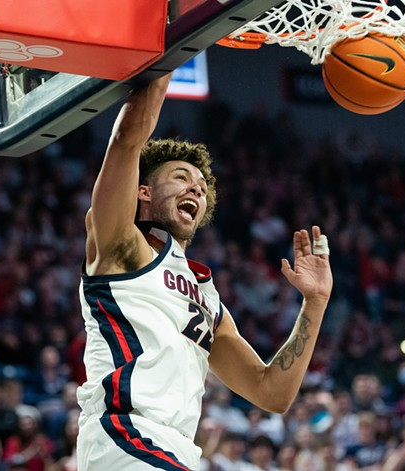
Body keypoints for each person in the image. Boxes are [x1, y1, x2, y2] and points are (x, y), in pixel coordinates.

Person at [76, 73, 333, 471]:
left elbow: (272, 393)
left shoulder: (207, 298)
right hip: (125, 436)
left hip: (174, 450)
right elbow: (127, 138)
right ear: (142, 190)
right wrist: (173, 46)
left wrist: (314, 303)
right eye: (181, 178)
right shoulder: (120, 244)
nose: (197, 189)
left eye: (201, 186)